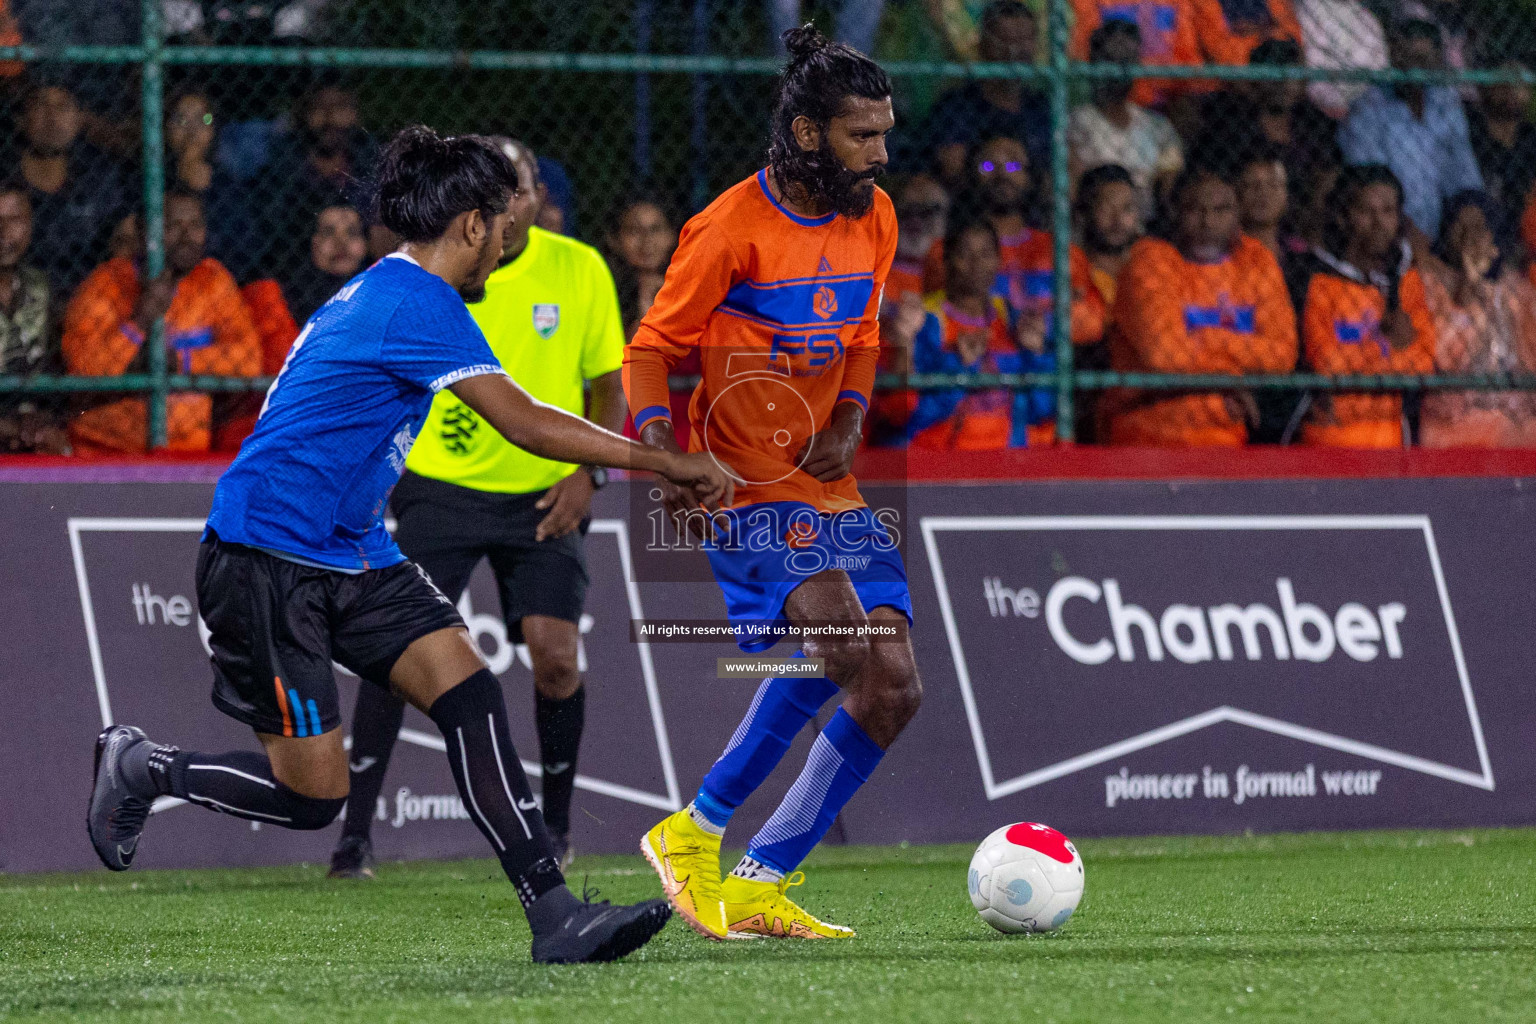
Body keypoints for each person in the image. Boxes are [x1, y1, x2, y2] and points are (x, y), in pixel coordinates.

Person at [86, 126, 734, 964]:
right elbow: (527, 421)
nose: (509, 242)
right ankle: (144, 767)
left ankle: (556, 916)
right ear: (471, 224)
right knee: (313, 797)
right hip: (267, 559)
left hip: (352, 552)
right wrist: (663, 459)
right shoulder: (414, 302)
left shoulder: (395, 292)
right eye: (502, 226)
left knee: (469, 693)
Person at [624, 27, 920, 941]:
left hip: (827, 477)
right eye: (861, 137)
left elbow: (864, 336)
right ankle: (694, 832)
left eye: (883, 133)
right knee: (838, 646)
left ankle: (760, 879)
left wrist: (848, 420)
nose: (880, 154)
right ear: (804, 134)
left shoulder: (876, 215)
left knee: (894, 685)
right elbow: (651, 352)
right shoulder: (727, 229)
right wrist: (666, 454)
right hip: (742, 477)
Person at [329, 139, 627, 880]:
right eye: (497, 196)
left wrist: (591, 473)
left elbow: (607, 384)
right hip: (441, 486)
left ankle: (556, 831)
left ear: (535, 195)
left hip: (544, 493)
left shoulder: (580, 267)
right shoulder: (437, 274)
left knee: (557, 659)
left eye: (520, 189)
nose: (511, 207)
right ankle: (354, 838)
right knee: (397, 658)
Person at [1105, 165, 1298, 445]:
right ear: (1175, 212)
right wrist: (1230, 376)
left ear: (1238, 213)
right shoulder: (1150, 263)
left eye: (1221, 210)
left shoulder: (1257, 261)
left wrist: (1202, 340)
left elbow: (1282, 356)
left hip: (1229, 435)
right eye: (1195, 209)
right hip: (1150, 432)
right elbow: (1165, 357)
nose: (1208, 221)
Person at [62, 191, 262, 453]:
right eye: (172, 226)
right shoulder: (106, 284)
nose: (186, 237)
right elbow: (85, 368)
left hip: (187, 453)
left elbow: (249, 361)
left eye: (195, 226)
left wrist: (181, 361)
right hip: (107, 452)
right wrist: (140, 321)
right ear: (143, 231)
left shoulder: (213, 281)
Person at [1292, 164, 1435, 447]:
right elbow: (1326, 362)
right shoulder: (1318, 280)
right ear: (1343, 217)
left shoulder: (1408, 281)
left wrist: (1358, 358)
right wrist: (1390, 347)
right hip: (1330, 436)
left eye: (1388, 211)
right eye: (1366, 211)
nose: (1379, 222)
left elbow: (1424, 362)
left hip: (1392, 437)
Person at [927, 137, 1106, 348]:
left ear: (1030, 177)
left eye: (1013, 164)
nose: (1002, 174)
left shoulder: (1061, 250)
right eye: (988, 165)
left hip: (1047, 369)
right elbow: (937, 316)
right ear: (971, 176)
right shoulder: (946, 250)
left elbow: (1094, 322)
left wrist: (1042, 326)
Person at [906, 218, 1055, 448]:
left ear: (998, 261)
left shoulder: (1011, 317)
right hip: (942, 458)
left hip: (1008, 457)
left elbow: (1043, 408)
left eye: (986, 254)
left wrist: (1036, 355)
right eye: (964, 254)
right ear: (947, 261)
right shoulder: (926, 320)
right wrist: (960, 367)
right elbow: (911, 414)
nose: (976, 264)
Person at [1339, 19, 1482, 240]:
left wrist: (1470, 212)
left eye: (1423, 60)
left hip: (1443, 228)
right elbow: (1371, 187)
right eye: (1408, 59)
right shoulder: (1368, 107)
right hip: (1386, 231)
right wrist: (1413, 239)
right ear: (1394, 57)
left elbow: (1465, 176)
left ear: (1437, 61)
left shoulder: (1446, 103)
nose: (1416, 69)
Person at [1417, 191, 1536, 448]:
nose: (1467, 238)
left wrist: (1488, 295)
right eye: (1459, 227)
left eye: (1478, 228)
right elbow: (1445, 360)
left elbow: (1528, 361)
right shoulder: (1429, 284)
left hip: (1515, 418)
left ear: (1494, 240)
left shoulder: (1517, 290)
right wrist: (1470, 290)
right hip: (1454, 419)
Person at [247, 76, 379, 280]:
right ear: (304, 114)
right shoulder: (279, 173)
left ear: (354, 114)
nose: (330, 117)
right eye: (320, 108)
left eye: (340, 107)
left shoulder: (371, 169)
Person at [11, 78, 129, 295]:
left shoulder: (99, 174)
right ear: (21, 118)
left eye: (63, 106)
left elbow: (125, 240)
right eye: (40, 104)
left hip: (93, 298)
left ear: (79, 119)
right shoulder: (7, 176)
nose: (52, 117)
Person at [1195, 38, 1339, 209]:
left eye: (1291, 76)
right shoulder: (1231, 123)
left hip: (1304, 207)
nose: (1283, 84)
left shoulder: (1314, 122)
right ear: (1256, 79)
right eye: (1274, 75)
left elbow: (1329, 168)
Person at [924, 1, 1049, 189]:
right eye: (1004, 40)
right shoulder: (957, 106)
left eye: (1024, 40)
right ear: (983, 44)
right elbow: (952, 170)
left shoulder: (1040, 107)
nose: (1014, 51)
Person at [1067, 20, 1184, 220]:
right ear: (1094, 61)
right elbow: (1071, 187)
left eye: (1128, 60)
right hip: (1094, 224)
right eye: (1111, 59)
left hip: (1148, 222)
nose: (1120, 69)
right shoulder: (1076, 123)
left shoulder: (1158, 126)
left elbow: (1170, 186)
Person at [0, 184, 66, 454]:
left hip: (34, 424)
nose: (3, 232)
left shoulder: (41, 288)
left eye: (14, 219)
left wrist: (40, 423)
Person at [1070, 0, 1204, 111]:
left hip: (1170, 98)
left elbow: (1188, 58)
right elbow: (1085, 50)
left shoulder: (1177, 4)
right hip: (1115, 98)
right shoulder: (1094, 4)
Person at [1468, 63, 1536, 253]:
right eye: (1503, 83)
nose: (1511, 91)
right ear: (1486, 87)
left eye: (1518, 83)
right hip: (1483, 227)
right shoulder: (1472, 133)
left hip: (1524, 231)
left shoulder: (1530, 137)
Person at [1294, 0, 1388, 119]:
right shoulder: (1304, 8)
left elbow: (1380, 70)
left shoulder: (1367, 19)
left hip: (1361, 106)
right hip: (1312, 106)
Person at [605, 195, 678, 339]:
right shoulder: (607, 289)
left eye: (655, 229)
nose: (647, 240)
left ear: (672, 236)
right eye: (633, 230)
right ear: (615, 240)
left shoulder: (688, 285)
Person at [283, 202, 368, 325]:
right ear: (312, 242)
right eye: (328, 232)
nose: (341, 243)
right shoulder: (284, 301)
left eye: (352, 232)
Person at [1075, 163, 1142, 313]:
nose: (1118, 220)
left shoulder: (1145, 267)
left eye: (1127, 209)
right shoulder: (1073, 271)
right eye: (1106, 209)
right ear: (1084, 213)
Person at [889, 173, 950, 302]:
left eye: (927, 211)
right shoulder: (878, 266)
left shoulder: (952, 269)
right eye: (908, 210)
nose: (915, 219)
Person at [1190, 0, 1301, 66]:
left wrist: (1254, 34)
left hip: (1277, 67)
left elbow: (1290, 35)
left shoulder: (1272, 3)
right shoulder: (1207, 3)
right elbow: (1219, 49)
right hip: (1232, 81)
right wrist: (1263, 33)